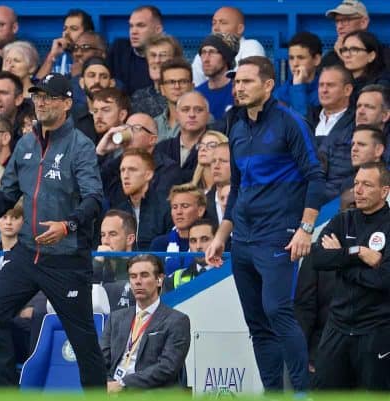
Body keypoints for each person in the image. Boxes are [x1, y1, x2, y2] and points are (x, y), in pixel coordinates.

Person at [0, 73, 106, 388]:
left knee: (84, 342)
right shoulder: (26, 144)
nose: (41, 102)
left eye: (49, 97)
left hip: (67, 258)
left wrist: (67, 226)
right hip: (28, 252)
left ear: (67, 103)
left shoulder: (81, 146)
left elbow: (95, 198)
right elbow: (7, 195)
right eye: (37, 96)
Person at [205, 56, 325, 393]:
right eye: (236, 82)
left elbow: (316, 178)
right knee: (257, 324)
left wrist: (306, 228)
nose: (238, 87)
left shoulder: (291, 122)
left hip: (279, 235)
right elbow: (238, 187)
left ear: (268, 85)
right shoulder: (236, 124)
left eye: (246, 81)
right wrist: (221, 235)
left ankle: (301, 392)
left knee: (278, 312)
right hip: (242, 239)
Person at [310, 162, 390, 390]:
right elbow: (317, 258)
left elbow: (384, 279)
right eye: (356, 183)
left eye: (367, 184)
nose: (359, 190)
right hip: (338, 327)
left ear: (384, 191)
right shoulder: (342, 220)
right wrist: (359, 253)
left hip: (376, 329)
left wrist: (341, 263)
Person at [100, 254, 191, 392]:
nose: (138, 281)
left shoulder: (177, 320)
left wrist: (123, 384)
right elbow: (101, 362)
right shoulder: (115, 318)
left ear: (159, 280)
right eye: (133, 276)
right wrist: (107, 383)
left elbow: (167, 368)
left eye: (144, 275)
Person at [97, 112, 183, 208]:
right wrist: (100, 152)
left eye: (135, 128)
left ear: (152, 139)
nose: (129, 133)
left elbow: (158, 207)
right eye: (126, 128)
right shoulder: (116, 165)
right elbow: (92, 184)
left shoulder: (168, 169)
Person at [309, 65, 355, 201]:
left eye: (330, 85)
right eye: (321, 85)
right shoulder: (309, 119)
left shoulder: (356, 124)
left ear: (347, 90)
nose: (324, 90)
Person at [191, 6, 265, 86]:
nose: (216, 28)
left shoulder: (250, 45)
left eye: (223, 23)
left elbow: (245, 81)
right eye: (214, 23)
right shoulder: (205, 53)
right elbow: (195, 87)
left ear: (240, 29)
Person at [149, 184, 207, 275]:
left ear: (200, 210)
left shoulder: (212, 243)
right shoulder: (159, 244)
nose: (178, 212)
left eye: (185, 206)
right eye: (174, 207)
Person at [155, 91, 210, 181]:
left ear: (208, 115)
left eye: (198, 110)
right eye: (185, 110)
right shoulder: (161, 149)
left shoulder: (217, 146)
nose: (192, 115)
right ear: (177, 115)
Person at [108, 6, 163, 94]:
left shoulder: (167, 57)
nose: (133, 31)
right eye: (131, 26)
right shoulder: (119, 49)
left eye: (141, 26)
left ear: (158, 30)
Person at [273, 32, 322, 117]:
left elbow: (304, 124)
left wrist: (298, 87)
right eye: (291, 58)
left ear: (316, 60)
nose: (295, 63)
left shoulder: (325, 91)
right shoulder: (280, 93)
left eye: (301, 58)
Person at [131, 35, 181, 117]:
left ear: (176, 61)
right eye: (153, 55)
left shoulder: (185, 95)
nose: (157, 60)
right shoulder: (139, 97)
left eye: (163, 55)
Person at [37, 9, 94, 79]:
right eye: (65, 28)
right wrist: (52, 55)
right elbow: (37, 84)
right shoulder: (56, 55)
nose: (66, 33)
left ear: (87, 34)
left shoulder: (91, 56)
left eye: (74, 29)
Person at [163, 219, 217, 292]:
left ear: (217, 241)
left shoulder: (231, 272)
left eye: (204, 239)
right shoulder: (174, 278)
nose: (198, 246)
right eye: (193, 241)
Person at [196, 32, 239, 120]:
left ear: (226, 57)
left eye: (212, 52)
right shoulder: (196, 94)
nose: (206, 59)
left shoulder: (238, 91)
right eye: (203, 53)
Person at [339, 30, 390, 98]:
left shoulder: (381, 85)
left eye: (354, 49)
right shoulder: (341, 82)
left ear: (371, 56)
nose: (347, 55)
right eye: (345, 50)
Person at [155, 58, 194, 142]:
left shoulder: (202, 120)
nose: (177, 86)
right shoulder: (154, 124)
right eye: (171, 82)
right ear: (162, 89)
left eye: (183, 81)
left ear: (192, 87)